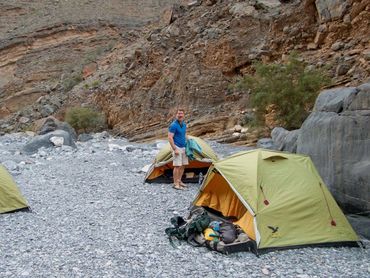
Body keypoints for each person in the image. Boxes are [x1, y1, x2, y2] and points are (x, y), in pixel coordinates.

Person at [168, 108, 188, 190]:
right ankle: (175, 183)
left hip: (183, 147)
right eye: (178, 113)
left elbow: (184, 134)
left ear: (184, 115)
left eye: (181, 114)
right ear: (176, 115)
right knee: (177, 166)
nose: (180, 115)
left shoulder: (184, 124)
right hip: (177, 147)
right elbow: (170, 137)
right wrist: (174, 149)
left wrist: (188, 142)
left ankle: (179, 181)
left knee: (183, 165)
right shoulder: (173, 125)